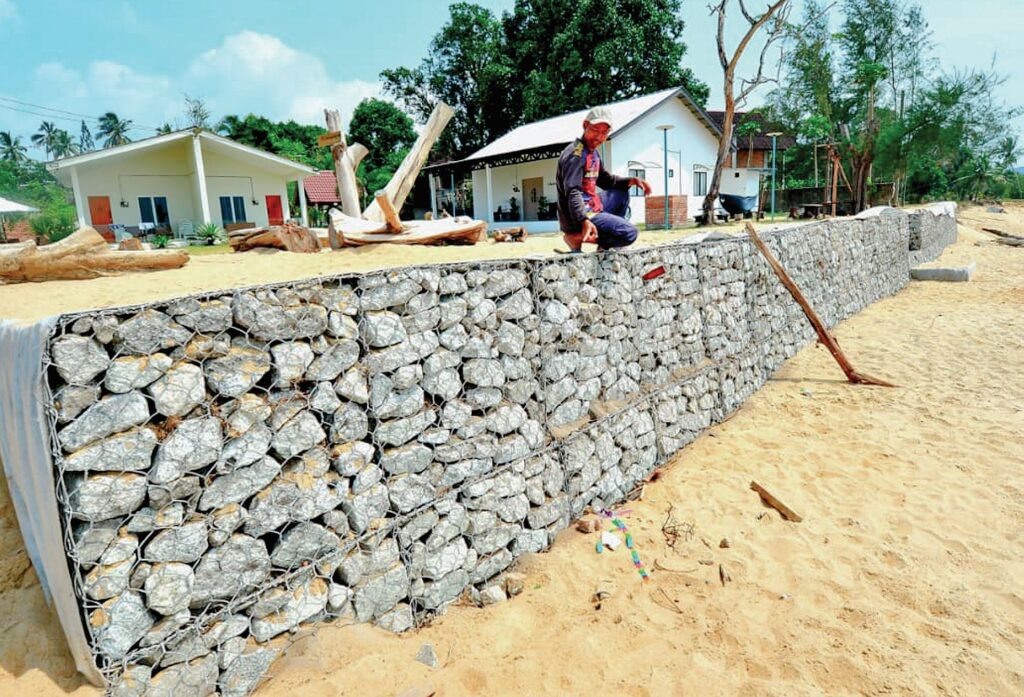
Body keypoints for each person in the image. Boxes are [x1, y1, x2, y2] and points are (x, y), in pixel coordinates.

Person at [555, 106, 652, 253]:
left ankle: (604, 243)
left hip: (591, 205)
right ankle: (577, 236)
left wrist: (631, 180)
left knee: (621, 192)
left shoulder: (592, 153)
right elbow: (572, 192)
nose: (599, 137)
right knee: (630, 233)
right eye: (595, 130)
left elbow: (606, 181)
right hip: (577, 215)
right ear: (585, 125)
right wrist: (584, 220)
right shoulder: (575, 155)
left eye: (604, 132)